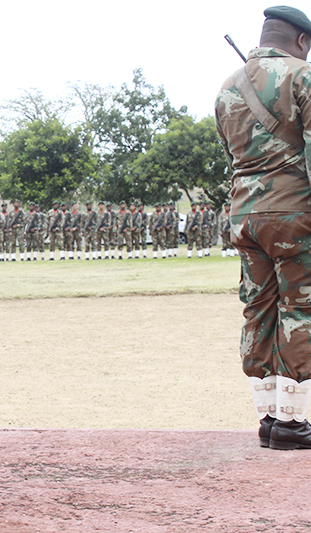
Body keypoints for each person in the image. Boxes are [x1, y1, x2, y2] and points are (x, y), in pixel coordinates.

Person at [215, 5, 311, 449]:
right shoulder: (303, 78)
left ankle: (268, 418)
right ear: (301, 41)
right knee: (300, 309)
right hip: (293, 216)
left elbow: (235, 158)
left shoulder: (227, 87)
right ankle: (293, 421)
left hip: (245, 218)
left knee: (258, 310)